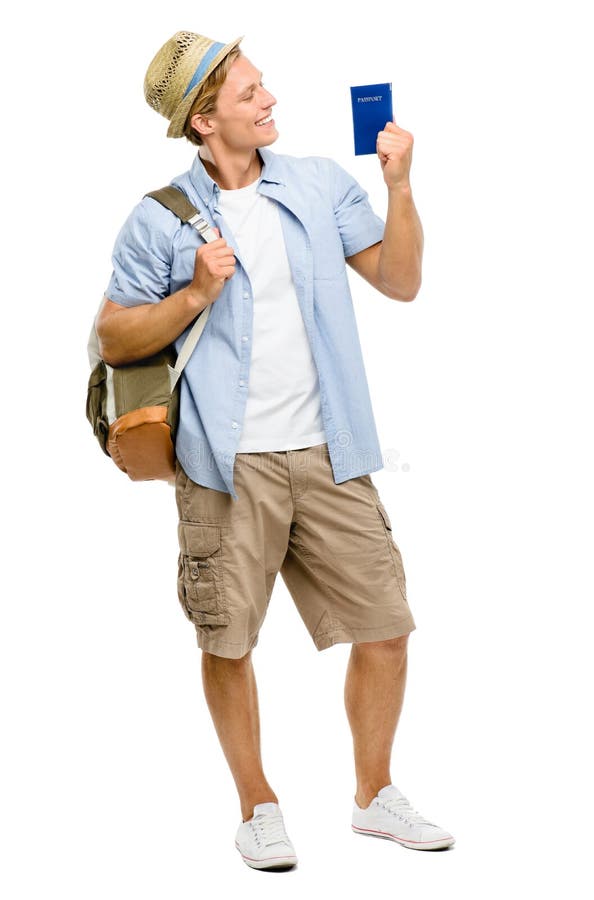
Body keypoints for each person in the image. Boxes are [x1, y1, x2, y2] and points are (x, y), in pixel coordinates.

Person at [96, 30, 455, 870]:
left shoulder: (322, 182)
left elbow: (401, 281)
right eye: (251, 93)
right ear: (204, 120)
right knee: (228, 641)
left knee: (388, 627)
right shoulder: (160, 218)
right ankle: (257, 806)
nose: (270, 101)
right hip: (224, 464)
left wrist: (398, 188)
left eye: (264, 87)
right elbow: (114, 337)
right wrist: (196, 292)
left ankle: (375, 797)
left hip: (331, 452)